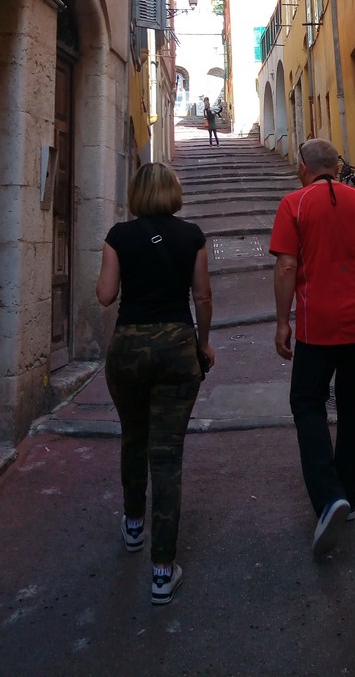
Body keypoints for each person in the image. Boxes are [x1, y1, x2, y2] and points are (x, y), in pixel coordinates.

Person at [270, 138, 355, 559]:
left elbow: (286, 265)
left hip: (316, 321)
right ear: (337, 168)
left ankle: (328, 497)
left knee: (307, 402)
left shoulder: (294, 204)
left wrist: (282, 321)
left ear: (303, 167)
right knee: (352, 402)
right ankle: (350, 496)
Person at [96, 162, 215, 606]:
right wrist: (203, 344)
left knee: (134, 437)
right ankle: (162, 571)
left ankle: (132, 526)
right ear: (172, 192)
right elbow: (202, 295)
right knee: (167, 455)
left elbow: (105, 295)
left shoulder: (118, 236)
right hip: (177, 347)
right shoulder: (192, 236)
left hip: (128, 348)